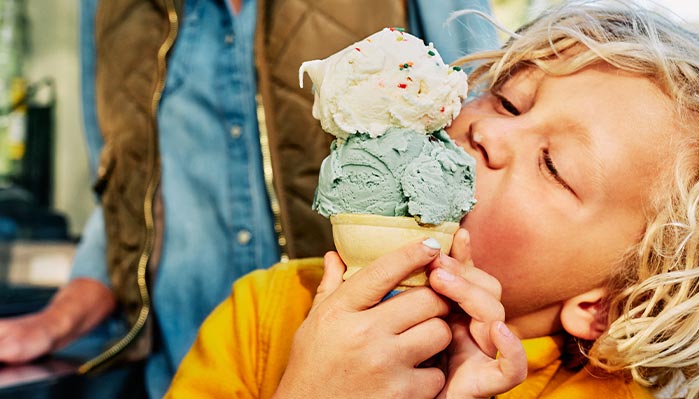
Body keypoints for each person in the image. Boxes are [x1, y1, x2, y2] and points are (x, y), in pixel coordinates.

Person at [163, 1, 699, 398]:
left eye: (553, 165)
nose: (489, 132)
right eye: (508, 102)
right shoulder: (262, 314)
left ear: (606, 307)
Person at [0, 0, 499, 398]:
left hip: (374, 369)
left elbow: (475, 148)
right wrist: (58, 320)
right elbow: (121, 192)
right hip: (180, 372)